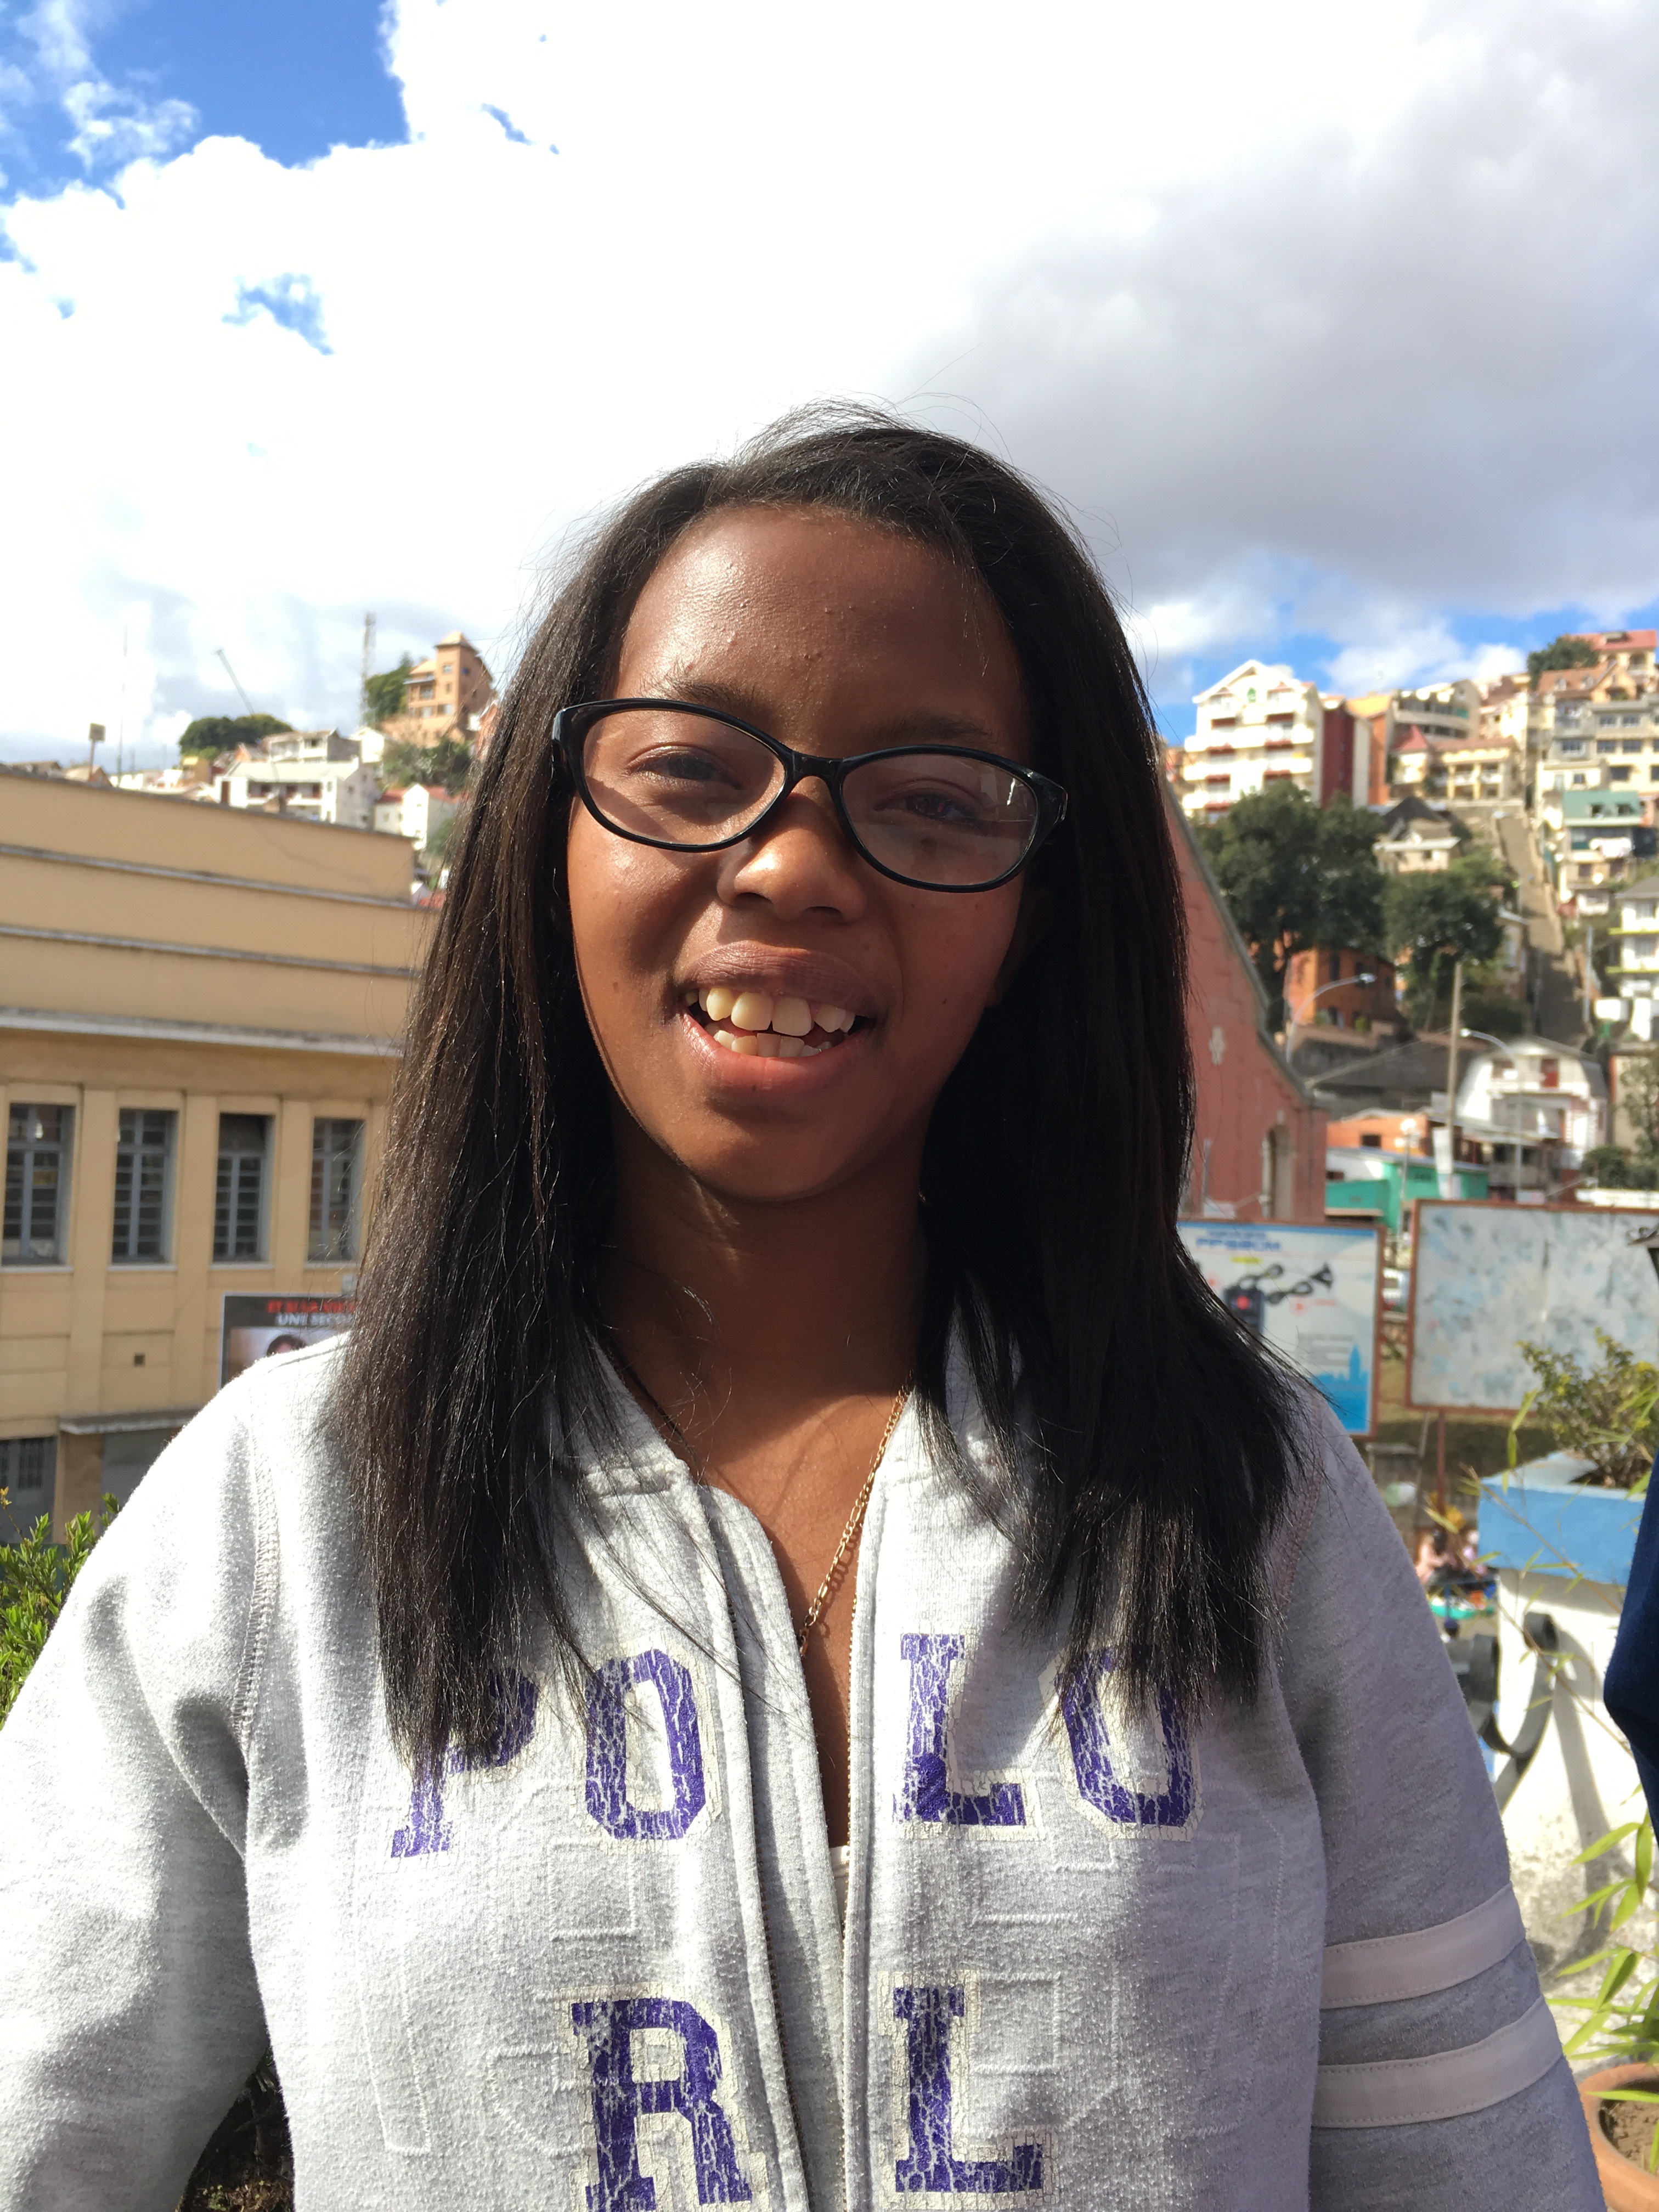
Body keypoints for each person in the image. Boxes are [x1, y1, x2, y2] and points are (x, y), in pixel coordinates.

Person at [0, 411, 1599, 2209]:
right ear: (548, 839)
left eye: (934, 800)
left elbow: (1479, 2167)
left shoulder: (1252, 1499)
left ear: (1031, 920)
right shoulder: (285, 1513)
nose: (791, 864)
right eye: (690, 771)